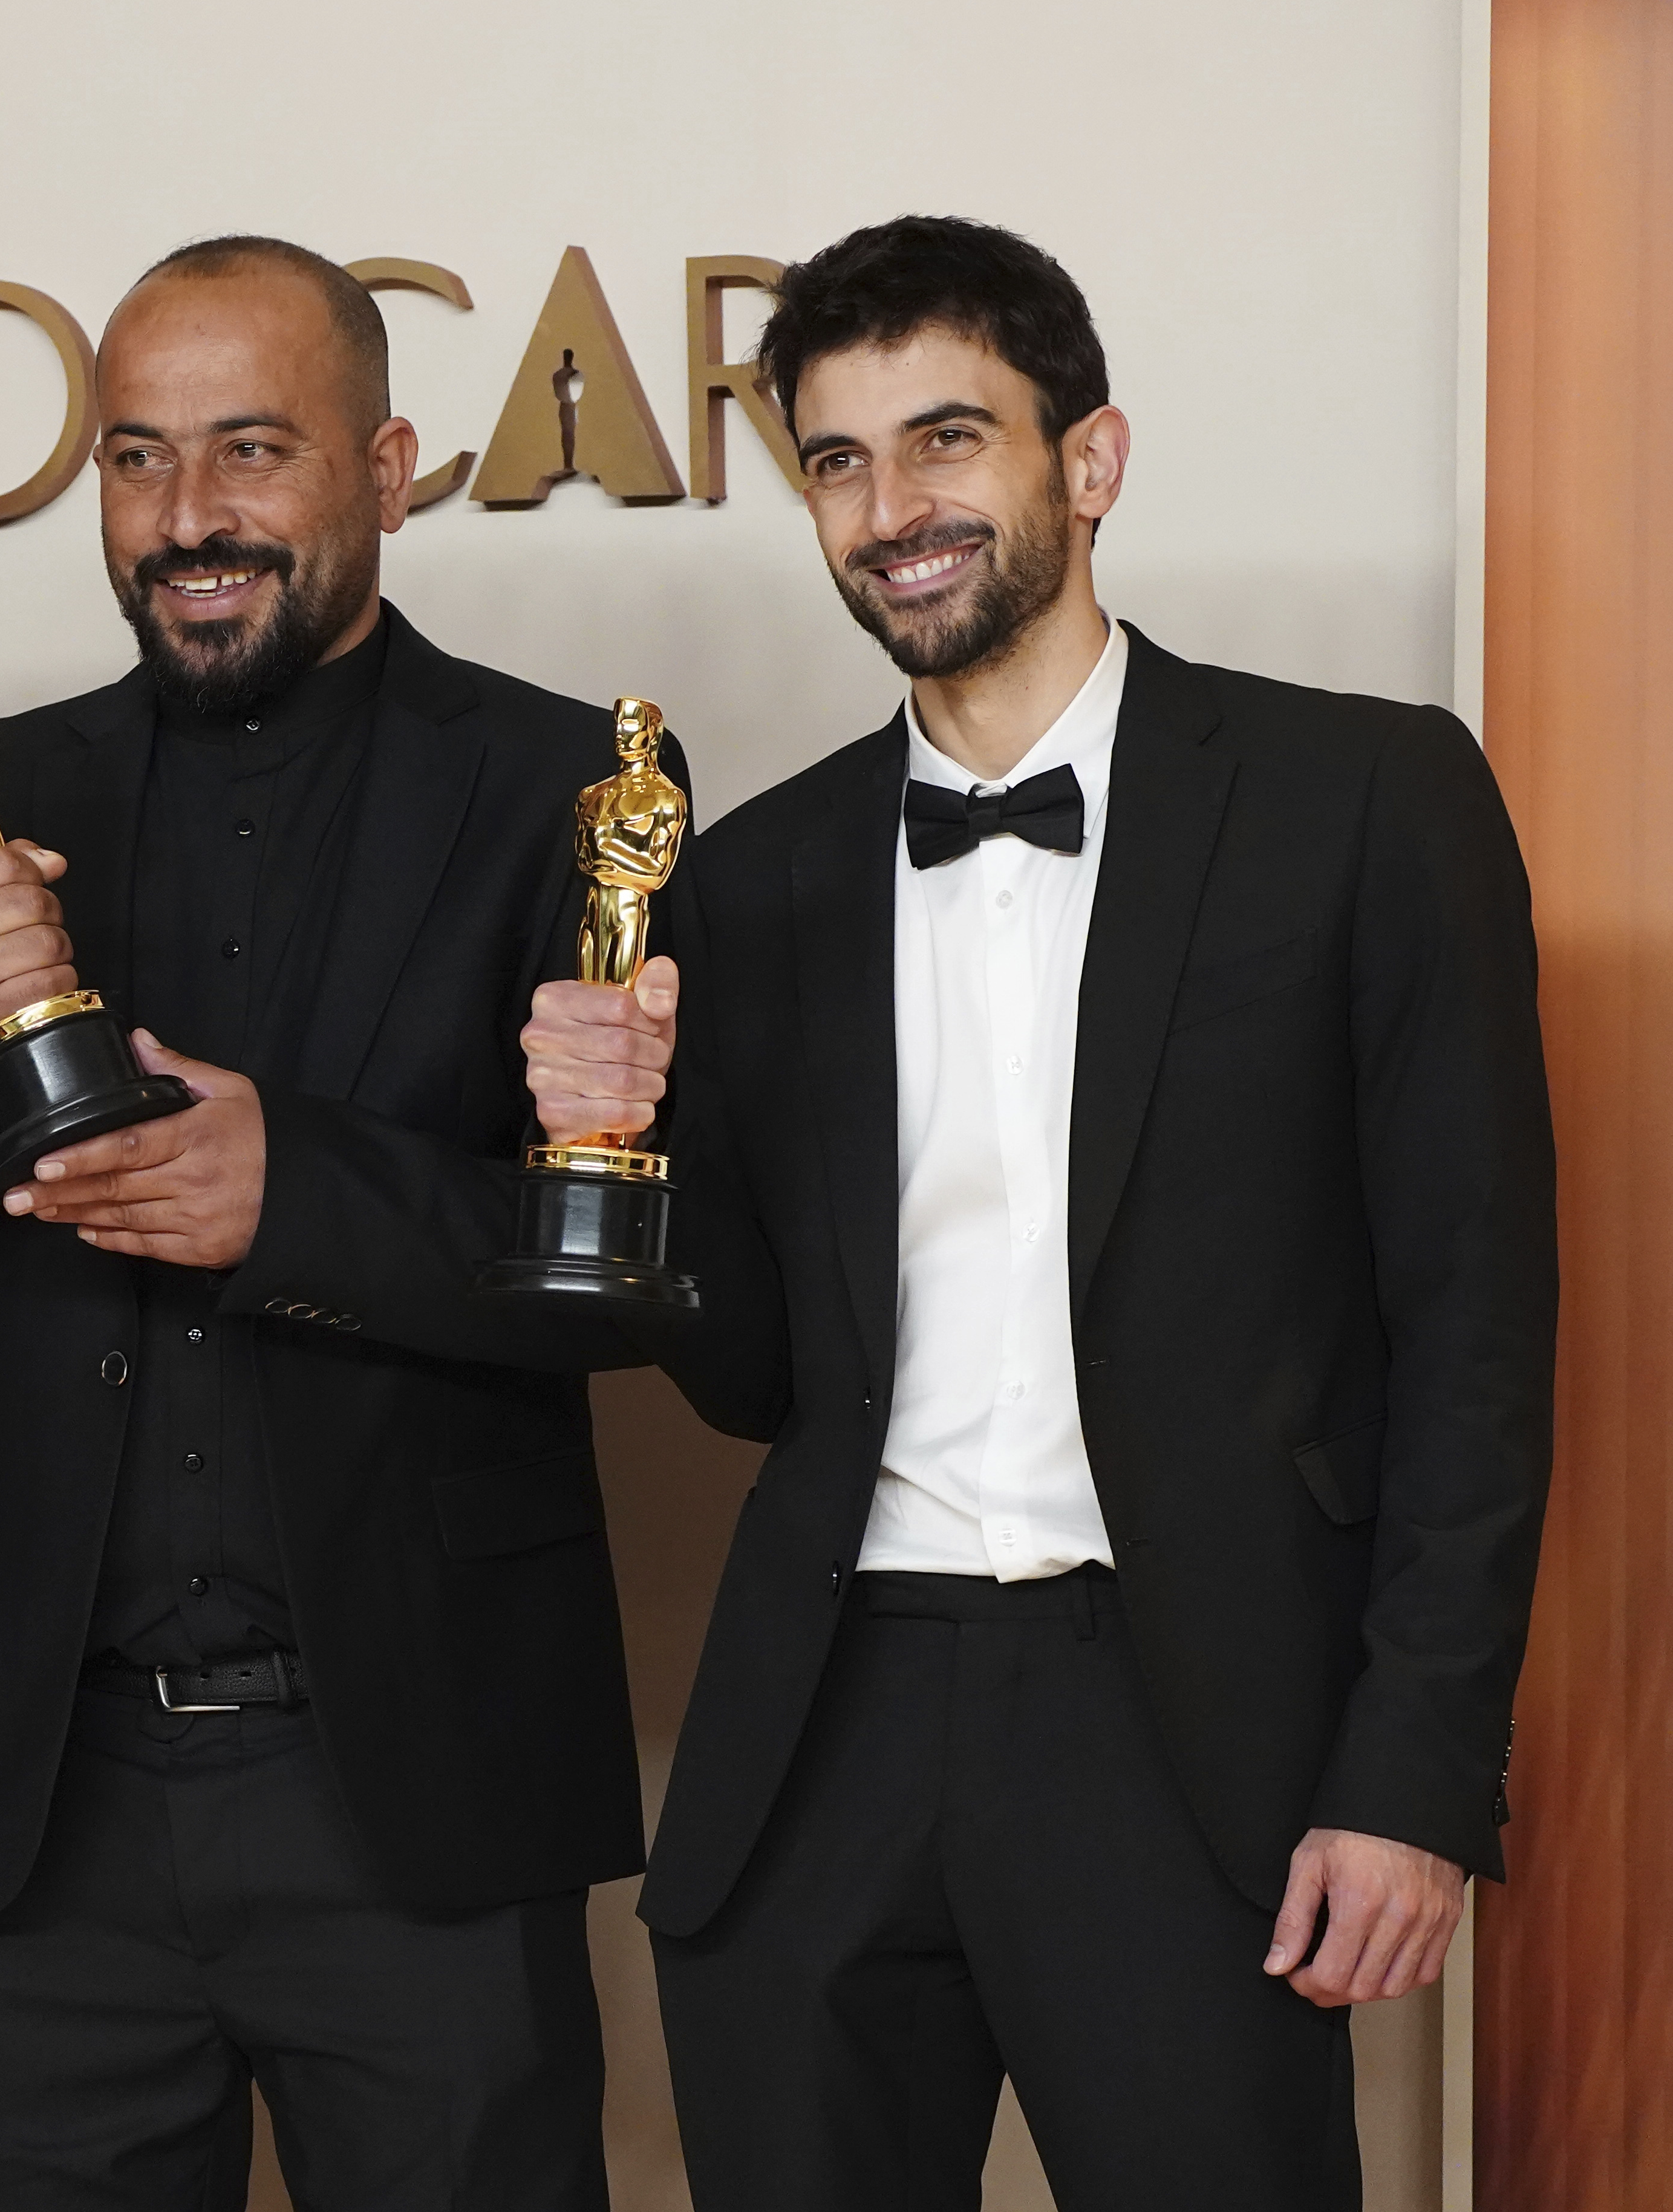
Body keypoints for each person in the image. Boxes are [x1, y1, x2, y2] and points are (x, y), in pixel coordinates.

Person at [520, 215, 1553, 2209]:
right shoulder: (763, 874)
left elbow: (1478, 1329)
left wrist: (1416, 1771)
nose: (890, 510)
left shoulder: (1365, 799)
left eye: (947, 439)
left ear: (1091, 460)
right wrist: (630, 1149)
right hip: (826, 1723)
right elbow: (755, 1379)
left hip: (1188, 1725)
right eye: (839, 462)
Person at [0, 236, 656, 2211]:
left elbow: (643, 1285)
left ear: (389, 470)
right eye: (138, 458)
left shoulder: (570, 788)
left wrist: (299, 1193)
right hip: (34, 1822)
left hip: (420, 1797)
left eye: (253, 450)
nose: (187, 519)